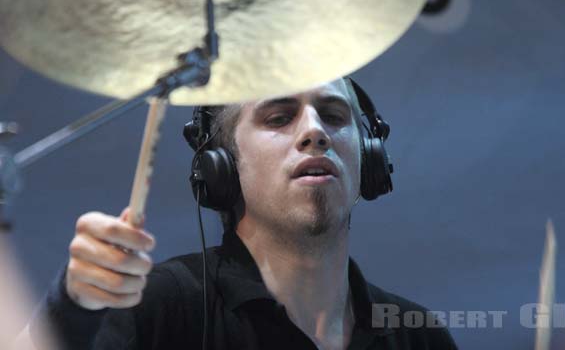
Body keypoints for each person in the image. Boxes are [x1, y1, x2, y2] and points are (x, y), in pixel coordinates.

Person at [26, 77, 458, 349]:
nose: (315, 132)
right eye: (278, 117)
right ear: (222, 166)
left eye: (332, 115)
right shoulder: (159, 309)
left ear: (370, 159)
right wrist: (74, 305)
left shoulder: (417, 334)